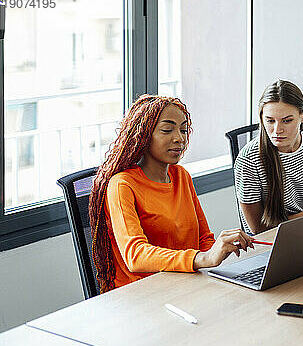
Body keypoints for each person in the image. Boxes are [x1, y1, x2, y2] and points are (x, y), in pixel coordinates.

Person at [89, 94, 253, 293]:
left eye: (183, 130)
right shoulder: (122, 184)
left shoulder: (181, 176)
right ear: (143, 136)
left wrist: (219, 253)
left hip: (185, 285)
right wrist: (203, 258)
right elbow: (136, 256)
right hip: (142, 294)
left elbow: (203, 238)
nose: (179, 138)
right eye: (167, 130)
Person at [234, 80, 303, 234]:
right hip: (269, 240)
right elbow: (258, 228)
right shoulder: (248, 160)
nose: (277, 130)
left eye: (287, 121)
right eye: (270, 121)